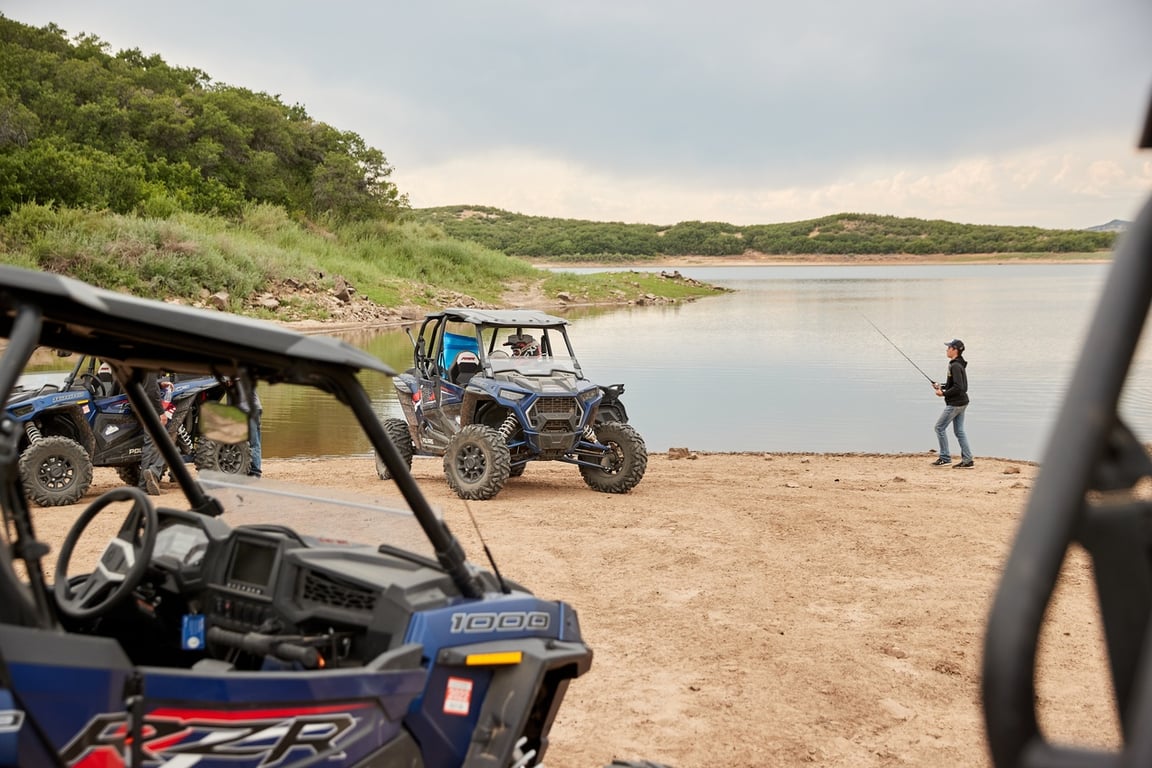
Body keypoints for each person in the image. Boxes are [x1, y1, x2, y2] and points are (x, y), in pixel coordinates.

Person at [931, 338, 973, 468]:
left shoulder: (955, 365)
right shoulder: (957, 363)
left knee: (939, 427)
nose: (946, 349)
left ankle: (945, 458)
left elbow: (959, 387)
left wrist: (943, 393)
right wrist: (941, 386)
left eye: (949, 347)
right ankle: (968, 460)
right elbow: (955, 385)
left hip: (956, 404)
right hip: (962, 402)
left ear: (954, 350)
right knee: (959, 431)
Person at [139, 372, 177, 495]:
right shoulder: (149, 361)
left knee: (151, 444)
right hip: (150, 408)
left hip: (139, 404)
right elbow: (151, 390)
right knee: (165, 442)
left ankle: (144, 485)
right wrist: (161, 412)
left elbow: (145, 382)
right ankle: (153, 473)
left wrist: (159, 384)